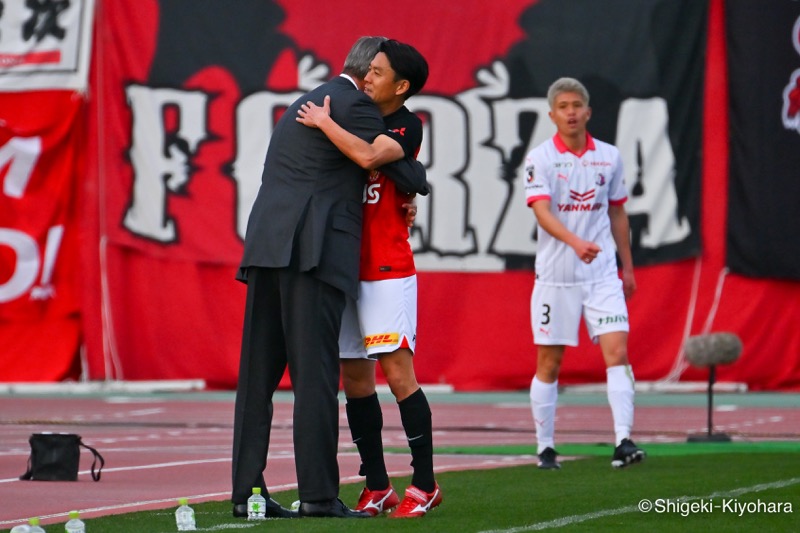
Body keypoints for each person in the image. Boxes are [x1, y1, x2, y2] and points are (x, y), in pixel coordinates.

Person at [231, 36, 428, 520]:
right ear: (365, 75)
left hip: (266, 246)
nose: (371, 82)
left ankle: (247, 495)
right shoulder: (355, 107)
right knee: (316, 376)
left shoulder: (303, 101)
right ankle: (319, 495)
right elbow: (386, 165)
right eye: (374, 72)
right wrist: (418, 179)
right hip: (311, 253)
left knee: (257, 377)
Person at [296, 39, 441, 518]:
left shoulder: (405, 122)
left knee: (398, 375)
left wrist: (323, 122)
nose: (367, 76)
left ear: (401, 86)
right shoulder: (355, 113)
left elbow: (367, 157)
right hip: (344, 267)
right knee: (355, 378)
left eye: (377, 72)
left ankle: (425, 483)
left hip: (386, 267)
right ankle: (377, 485)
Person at [522, 77, 646, 470]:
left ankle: (623, 441)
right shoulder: (539, 158)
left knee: (618, 352)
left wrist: (626, 266)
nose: (571, 111)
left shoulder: (609, 157)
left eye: (577, 105)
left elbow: (617, 212)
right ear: (552, 114)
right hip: (556, 277)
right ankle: (545, 447)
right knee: (550, 363)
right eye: (563, 106)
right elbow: (541, 211)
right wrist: (575, 243)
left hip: (602, 275)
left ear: (589, 112)